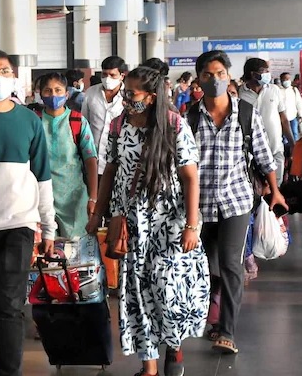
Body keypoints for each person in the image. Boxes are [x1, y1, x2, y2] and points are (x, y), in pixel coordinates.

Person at [86, 66, 209, 376]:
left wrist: (191, 225)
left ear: (152, 97)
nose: (126, 98)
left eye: (132, 93)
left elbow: (190, 177)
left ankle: (174, 346)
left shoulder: (174, 126)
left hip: (169, 221)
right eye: (125, 92)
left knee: (168, 289)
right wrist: (98, 213)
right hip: (130, 221)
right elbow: (110, 170)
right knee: (136, 293)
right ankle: (149, 367)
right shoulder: (118, 126)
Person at [189, 50, 286, 355]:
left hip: (236, 200)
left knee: (231, 263)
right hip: (199, 205)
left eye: (220, 73)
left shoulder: (245, 113)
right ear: (198, 79)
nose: (215, 79)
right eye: (208, 74)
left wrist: (275, 191)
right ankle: (207, 317)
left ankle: (227, 331)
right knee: (203, 265)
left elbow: (264, 156)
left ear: (229, 76)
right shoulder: (189, 117)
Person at [0, 49, 56, 376]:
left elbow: (43, 177)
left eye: (5, 71)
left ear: (15, 76)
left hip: (18, 223)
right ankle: (5, 364)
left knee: (9, 302)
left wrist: (49, 227)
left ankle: (9, 372)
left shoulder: (29, 121)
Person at [35, 72, 98, 238]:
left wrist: (93, 197)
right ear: (41, 94)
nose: (53, 95)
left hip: (74, 197)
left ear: (67, 94)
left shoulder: (77, 121)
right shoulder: (35, 122)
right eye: (48, 91)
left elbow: (90, 160)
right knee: (46, 244)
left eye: (58, 90)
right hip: (42, 195)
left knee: (76, 245)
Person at [239, 58, 295, 184]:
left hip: (275, 148)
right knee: (257, 187)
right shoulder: (240, 93)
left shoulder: (274, 90)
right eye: (264, 71)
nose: (268, 74)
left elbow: (283, 119)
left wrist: (292, 143)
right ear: (253, 74)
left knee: (276, 186)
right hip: (252, 153)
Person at [82, 56, 127, 181]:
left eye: (112, 75)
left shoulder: (128, 95)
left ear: (122, 76)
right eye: (104, 74)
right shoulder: (91, 93)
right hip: (92, 157)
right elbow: (84, 122)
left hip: (118, 159)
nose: (107, 79)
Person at [279, 72, 302, 142]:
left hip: (293, 117)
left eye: (288, 79)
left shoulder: (294, 90)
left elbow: (299, 102)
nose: (287, 81)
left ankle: (295, 147)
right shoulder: (278, 90)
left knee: (295, 134)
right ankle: (287, 148)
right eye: (285, 79)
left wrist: (301, 114)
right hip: (282, 118)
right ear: (281, 80)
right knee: (285, 136)